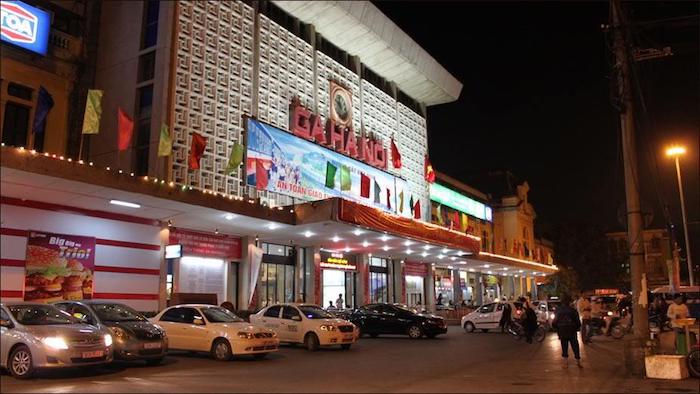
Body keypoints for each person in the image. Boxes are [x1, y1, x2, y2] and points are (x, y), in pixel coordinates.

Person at [552, 294, 582, 369]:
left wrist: (556, 328)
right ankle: (578, 362)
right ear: (569, 302)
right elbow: (578, 322)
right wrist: (576, 328)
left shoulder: (558, 310)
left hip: (562, 330)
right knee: (575, 346)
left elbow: (555, 322)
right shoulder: (573, 310)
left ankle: (565, 363)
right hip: (572, 330)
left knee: (564, 346)